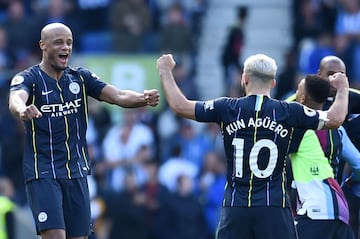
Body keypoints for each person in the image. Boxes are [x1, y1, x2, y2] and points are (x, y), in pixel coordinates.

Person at [156, 53, 349, 239]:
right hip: (273, 207)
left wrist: (165, 70)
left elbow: (179, 106)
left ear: (244, 78)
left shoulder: (226, 107)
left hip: (236, 207)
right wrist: (342, 88)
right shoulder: (289, 111)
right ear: (273, 83)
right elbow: (335, 119)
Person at [8, 22, 160, 239]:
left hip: (77, 172)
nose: (66, 47)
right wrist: (23, 109)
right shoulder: (29, 79)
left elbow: (117, 96)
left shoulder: (80, 77)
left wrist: (141, 98)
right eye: (59, 42)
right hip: (43, 173)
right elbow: (15, 99)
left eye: (69, 43)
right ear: (43, 45)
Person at [290, 74, 359, 239]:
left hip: (315, 209)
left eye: (298, 90)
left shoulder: (296, 126)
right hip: (339, 207)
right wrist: (348, 183)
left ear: (301, 98)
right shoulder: (338, 130)